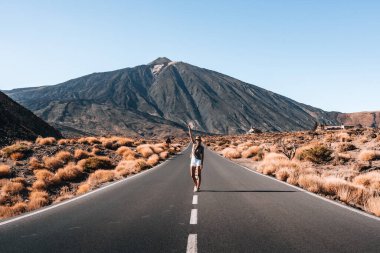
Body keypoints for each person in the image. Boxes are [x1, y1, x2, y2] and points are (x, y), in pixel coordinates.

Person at [188, 124, 204, 192]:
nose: (197, 141)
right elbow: (191, 136)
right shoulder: (194, 144)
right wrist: (189, 129)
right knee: (192, 175)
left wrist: (202, 164)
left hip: (198, 161)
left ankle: (197, 187)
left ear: (200, 141)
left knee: (199, 174)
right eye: (197, 139)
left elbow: (202, 155)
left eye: (199, 140)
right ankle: (196, 184)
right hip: (193, 160)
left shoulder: (201, 147)